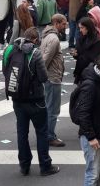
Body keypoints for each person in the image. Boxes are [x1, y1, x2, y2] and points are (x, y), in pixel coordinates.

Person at [2, 28, 60, 177]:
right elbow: (43, 77)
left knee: (22, 132)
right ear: (35, 40)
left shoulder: (9, 50)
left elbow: (5, 71)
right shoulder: (35, 53)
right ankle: (45, 165)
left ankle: (24, 165)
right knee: (41, 132)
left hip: (17, 99)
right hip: (36, 100)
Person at [74, 53, 100, 186]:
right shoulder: (91, 85)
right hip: (93, 137)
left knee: (99, 172)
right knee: (92, 175)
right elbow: (83, 113)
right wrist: (91, 137)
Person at [41, 13, 67, 147]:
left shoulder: (48, 36)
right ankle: (49, 136)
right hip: (52, 78)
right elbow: (45, 59)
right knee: (53, 109)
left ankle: (46, 134)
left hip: (50, 77)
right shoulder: (54, 39)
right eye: (63, 23)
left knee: (49, 107)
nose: (66, 26)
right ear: (56, 23)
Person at [73, 17, 100, 84]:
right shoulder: (81, 38)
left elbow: (94, 58)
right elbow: (79, 52)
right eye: (79, 28)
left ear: (88, 27)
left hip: (90, 73)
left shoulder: (97, 41)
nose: (80, 30)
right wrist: (75, 54)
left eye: (82, 28)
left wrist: (79, 56)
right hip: (80, 70)